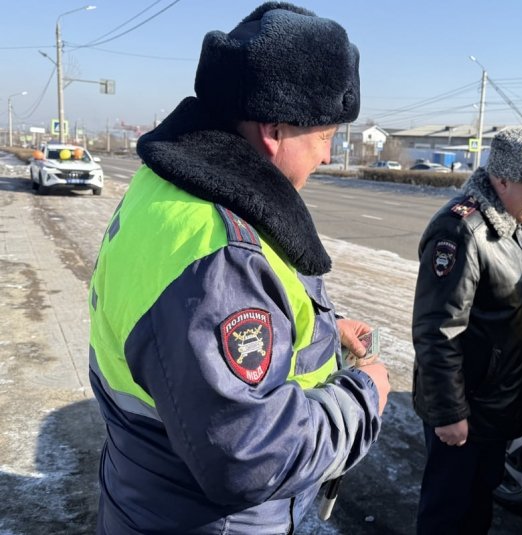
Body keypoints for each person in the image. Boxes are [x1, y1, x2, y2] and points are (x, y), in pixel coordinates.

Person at [87, 3, 390, 533]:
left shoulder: (170, 186)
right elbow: (251, 455)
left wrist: (321, 328)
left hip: (148, 494)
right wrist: (365, 395)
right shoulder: (222, 250)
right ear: (273, 129)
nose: (327, 156)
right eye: (325, 136)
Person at [412, 126, 522, 534]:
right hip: (466, 409)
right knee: (448, 514)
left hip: (501, 404)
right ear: (502, 180)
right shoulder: (461, 230)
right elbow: (436, 331)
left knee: (479, 506)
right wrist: (449, 413)